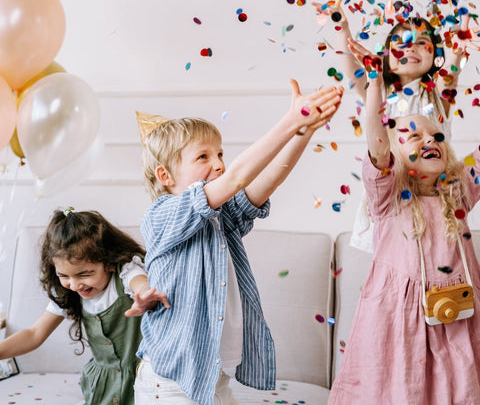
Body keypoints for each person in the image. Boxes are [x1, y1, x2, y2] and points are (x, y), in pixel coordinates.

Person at [134, 80, 344, 405]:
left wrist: (303, 132)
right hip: (173, 384)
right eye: (203, 156)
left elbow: (265, 180)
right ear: (166, 176)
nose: (218, 163)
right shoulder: (161, 217)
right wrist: (291, 120)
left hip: (215, 380)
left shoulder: (220, 219)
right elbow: (235, 178)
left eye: (219, 153)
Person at [328, 37, 480, 404]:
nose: (430, 139)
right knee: (398, 390)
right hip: (397, 324)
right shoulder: (389, 197)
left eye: (436, 135)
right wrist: (376, 86)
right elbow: (377, 144)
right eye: (413, 135)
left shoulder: (457, 191)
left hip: (457, 319)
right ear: (396, 154)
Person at [312, 0, 480, 252]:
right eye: (401, 44)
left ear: (435, 56)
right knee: (394, 262)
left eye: (422, 43)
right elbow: (350, 68)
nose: (411, 48)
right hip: (393, 194)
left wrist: (458, 50)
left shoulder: (436, 93)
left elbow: (452, 73)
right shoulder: (380, 91)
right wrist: (341, 27)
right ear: (387, 58)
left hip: (433, 193)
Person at [0, 208, 170, 405]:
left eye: (84, 274)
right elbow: (34, 333)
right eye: (64, 276)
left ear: (108, 262)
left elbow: (140, 283)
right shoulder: (67, 293)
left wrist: (144, 294)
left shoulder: (125, 271)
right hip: (102, 385)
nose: (74, 285)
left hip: (142, 378)